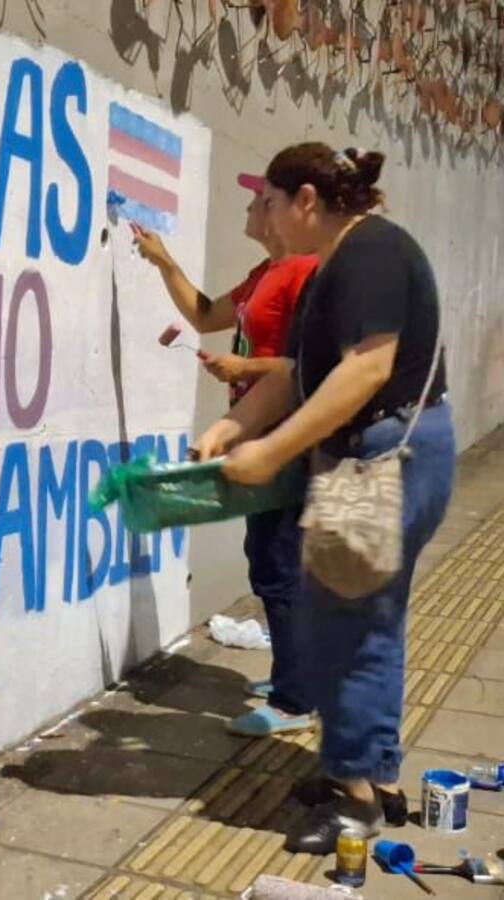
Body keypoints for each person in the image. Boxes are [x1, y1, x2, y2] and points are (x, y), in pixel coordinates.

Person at [195, 143, 454, 853]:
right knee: (369, 621)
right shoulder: (331, 266)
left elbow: (365, 370)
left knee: (343, 629)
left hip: (385, 456)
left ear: (307, 199)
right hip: (388, 452)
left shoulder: (368, 253)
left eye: (271, 203)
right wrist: (232, 425)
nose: (265, 219)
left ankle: (355, 800)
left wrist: (271, 451)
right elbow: (295, 373)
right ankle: (378, 776)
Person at [133, 174, 317, 737]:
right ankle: (297, 675)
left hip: (283, 432)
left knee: (277, 559)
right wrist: (163, 261)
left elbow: (314, 363)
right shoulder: (264, 274)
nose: (248, 206)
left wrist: (246, 369)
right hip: (255, 430)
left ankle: (295, 699)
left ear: (278, 209)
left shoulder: (308, 274)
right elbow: (206, 313)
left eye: (258, 199)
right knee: (269, 553)